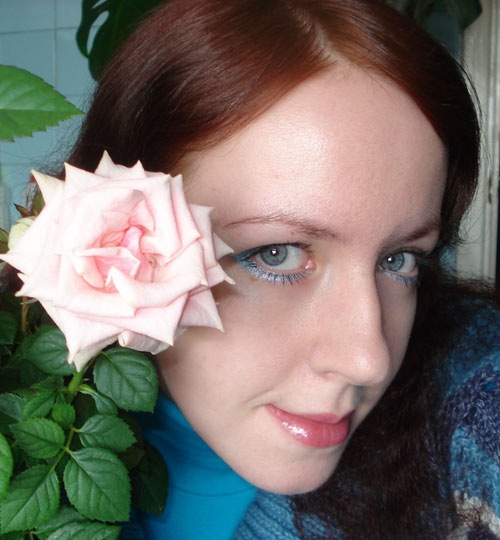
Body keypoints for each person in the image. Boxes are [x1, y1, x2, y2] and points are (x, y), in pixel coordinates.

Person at [64, 0, 499, 538]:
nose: (368, 361)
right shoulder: (22, 416)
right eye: (278, 254)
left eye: (399, 260)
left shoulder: (473, 406)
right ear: (115, 237)